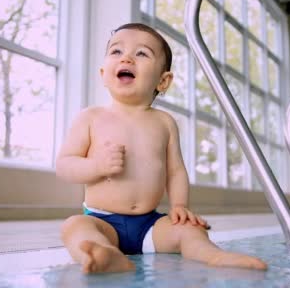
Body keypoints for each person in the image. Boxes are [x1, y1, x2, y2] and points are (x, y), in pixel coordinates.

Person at [56, 23, 267, 274]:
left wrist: (179, 206)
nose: (126, 57)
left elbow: (176, 170)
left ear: (163, 80)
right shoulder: (91, 117)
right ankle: (104, 253)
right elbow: (65, 165)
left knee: (190, 231)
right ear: (103, 73)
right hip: (102, 220)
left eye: (141, 53)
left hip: (149, 225)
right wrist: (96, 166)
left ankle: (213, 256)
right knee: (75, 226)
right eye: (116, 51)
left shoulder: (164, 122)